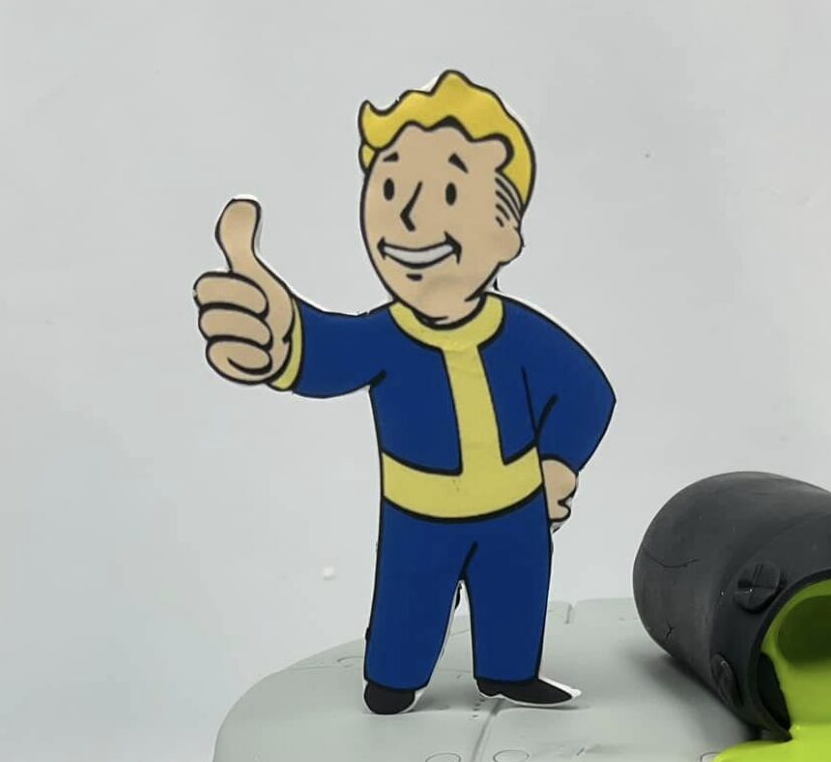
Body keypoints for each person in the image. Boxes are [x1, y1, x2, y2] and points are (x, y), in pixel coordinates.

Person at [194, 70, 615, 712]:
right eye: (390, 189)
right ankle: (393, 678)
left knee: (516, 591)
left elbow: (587, 394)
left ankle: (510, 670)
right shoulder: (386, 338)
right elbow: (326, 353)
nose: (412, 219)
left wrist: (558, 463)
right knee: (409, 598)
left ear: (508, 231)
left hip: (515, 508)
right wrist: (283, 337)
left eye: (448, 192)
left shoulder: (521, 334)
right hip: (419, 514)